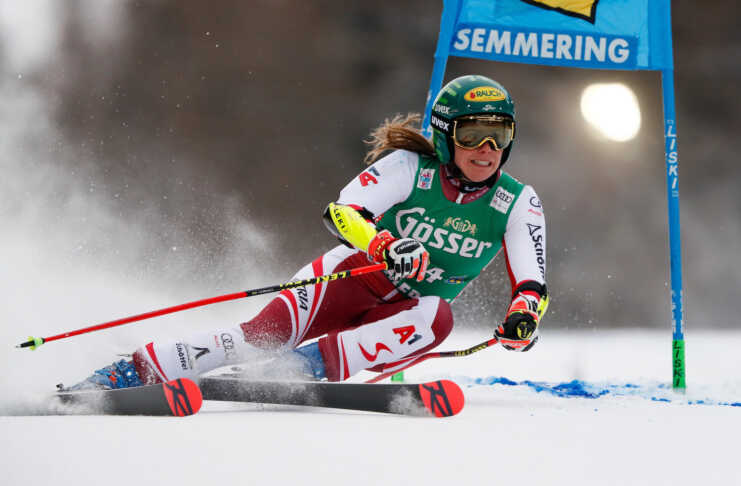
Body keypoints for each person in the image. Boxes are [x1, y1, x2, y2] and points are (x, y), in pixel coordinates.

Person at [66, 74, 549, 390]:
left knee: (437, 317)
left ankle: (298, 371)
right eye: (472, 134)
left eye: (499, 135)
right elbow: (341, 213)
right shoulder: (409, 168)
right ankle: (128, 371)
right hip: (349, 279)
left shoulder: (517, 202)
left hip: (402, 319)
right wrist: (383, 243)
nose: (487, 148)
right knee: (257, 337)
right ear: (445, 136)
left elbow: (532, 286)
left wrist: (522, 318)